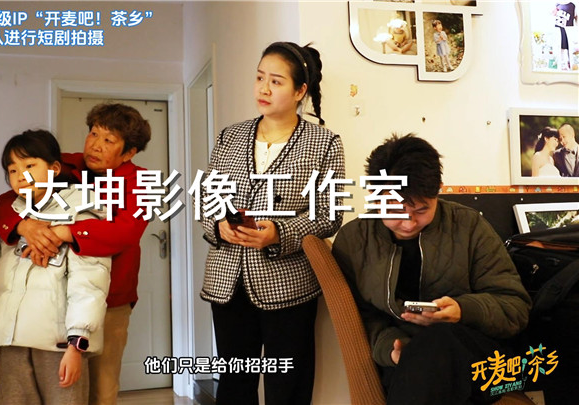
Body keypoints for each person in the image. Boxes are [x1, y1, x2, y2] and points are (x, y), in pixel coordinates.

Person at [331, 134, 530, 405]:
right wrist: (390, 347)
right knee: (423, 361)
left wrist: (463, 310)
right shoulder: (355, 241)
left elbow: (515, 308)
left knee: (438, 340)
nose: (408, 223)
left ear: (438, 192)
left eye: (421, 210)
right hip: (404, 364)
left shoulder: (469, 227)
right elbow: (359, 318)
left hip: (480, 361)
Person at [199, 41, 345, 405]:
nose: (263, 88)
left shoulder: (324, 142)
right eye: (259, 77)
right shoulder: (230, 136)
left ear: (299, 91)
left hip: (288, 284)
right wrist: (218, 224)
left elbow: (330, 213)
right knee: (234, 385)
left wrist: (281, 233)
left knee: (288, 387)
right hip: (228, 281)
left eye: (276, 81)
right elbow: (206, 197)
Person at [0, 103, 151, 405]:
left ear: (129, 153)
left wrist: (63, 232)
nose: (95, 145)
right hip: (56, 300)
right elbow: (5, 201)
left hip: (111, 298)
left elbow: (125, 232)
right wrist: (24, 226)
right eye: (93, 134)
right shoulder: (65, 165)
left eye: (109, 140)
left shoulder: (140, 184)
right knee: (62, 390)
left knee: (101, 389)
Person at [0, 129, 111, 404]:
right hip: (12, 341)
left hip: (58, 345)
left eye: (30, 165)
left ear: (54, 168)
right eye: (12, 170)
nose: (20, 175)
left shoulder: (82, 208)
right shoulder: (16, 214)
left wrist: (77, 343)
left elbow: (89, 283)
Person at [554, 2, 577, 70]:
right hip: (559, 29)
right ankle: (563, 64)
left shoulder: (572, 5)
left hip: (569, 29)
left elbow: (576, 17)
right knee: (562, 47)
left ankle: (567, 64)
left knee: (567, 47)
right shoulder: (557, 5)